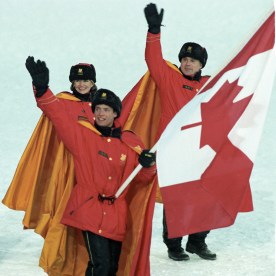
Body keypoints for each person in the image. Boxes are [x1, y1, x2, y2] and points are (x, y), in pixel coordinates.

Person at [25, 56, 157, 276]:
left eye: (106, 109)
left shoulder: (129, 142)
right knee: (101, 265)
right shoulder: (83, 136)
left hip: (116, 215)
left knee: (111, 267)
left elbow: (142, 179)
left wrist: (148, 165)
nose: (101, 114)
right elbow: (57, 115)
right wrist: (41, 89)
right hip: (88, 208)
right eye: (98, 109)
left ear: (116, 113)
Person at [143, 3, 216, 261]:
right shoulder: (169, 78)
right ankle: (174, 245)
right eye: (184, 59)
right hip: (172, 149)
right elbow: (153, 60)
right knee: (176, 198)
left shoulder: (210, 85)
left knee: (205, 194)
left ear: (201, 64)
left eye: (193, 60)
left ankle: (197, 241)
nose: (187, 63)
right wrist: (154, 32)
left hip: (200, 149)